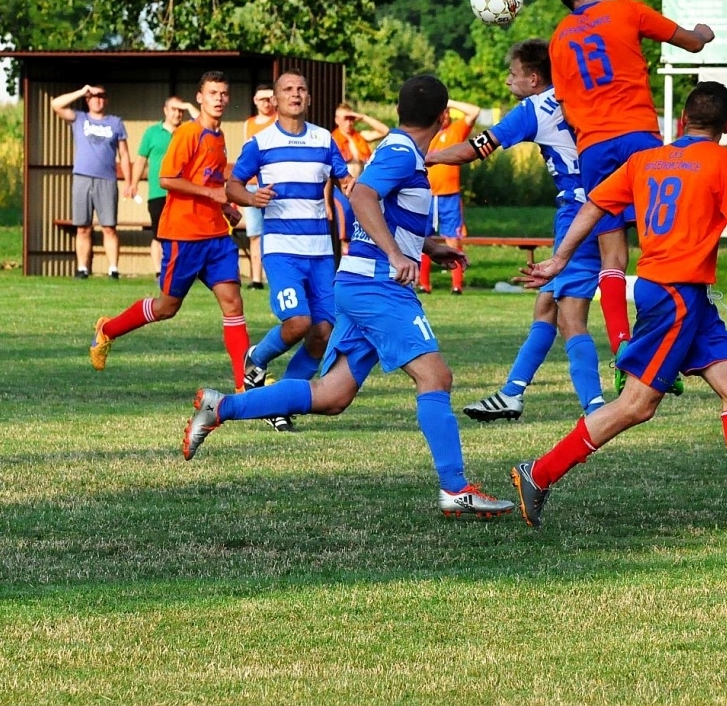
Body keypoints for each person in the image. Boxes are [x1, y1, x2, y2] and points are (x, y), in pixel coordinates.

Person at [181, 75, 515, 519]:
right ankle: (456, 489)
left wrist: (428, 245)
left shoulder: (402, 151)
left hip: (359, 283)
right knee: (436, 378)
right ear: (443, 118)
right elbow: (362, 197)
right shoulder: (399, 153)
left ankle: (221, 405)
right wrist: (397, 254)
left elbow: (386, 210)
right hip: (377, 285)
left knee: (331, 395)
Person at [512, 81, 727, 533]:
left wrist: (560, 257)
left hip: (684, 294)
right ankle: (538, 473)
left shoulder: (646, 160)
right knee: (637, 405)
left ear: (681, 122)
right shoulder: (724, 160)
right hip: (675, 294)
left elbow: (595, 204)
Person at [427, 40, 605, 421]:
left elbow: (474, 149)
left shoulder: (534, 109)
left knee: (571, 315)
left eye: (514, 74)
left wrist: (426, 156)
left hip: (581, 210)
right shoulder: (582, 94)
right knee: (546, 305)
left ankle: (596, 408)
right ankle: (512, 392)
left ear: (534, 78)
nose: (509, 81)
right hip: (603, 203)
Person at [549, 0, 715, 360]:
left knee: (613, 255)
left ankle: (622, 343)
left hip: (593, 147)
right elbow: (690, 44)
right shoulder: (624, 9)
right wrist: (703, 32)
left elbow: (565, 104)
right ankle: (672, 329)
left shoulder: (558, 39)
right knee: (660, 238)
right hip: (638, 137)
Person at [89, 72, 250, 391]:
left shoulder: (218, 138)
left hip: (217, 236)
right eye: (213, 93)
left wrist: (224, 206)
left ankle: (242, 384)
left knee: (233, 303)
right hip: (184, 235)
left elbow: (210, 181)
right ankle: (108, 330)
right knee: (167, 307)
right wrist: (214, 195)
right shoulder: (188, 133)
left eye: (224, 93)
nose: (219, 98)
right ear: (200, 98)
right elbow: (167, 179)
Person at [228, 72, 349, 433]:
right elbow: (232, 185)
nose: (295, 94)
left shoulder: (324, 139)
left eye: (301, 89)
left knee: (323, 332)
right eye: (287, 89)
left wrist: (355, 184)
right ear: (276, 99)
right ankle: (257, 358)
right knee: (298, 323)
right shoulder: (260, 143)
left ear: (309, 98)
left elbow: (345, 179)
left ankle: (280, 402)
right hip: (282, 250)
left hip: (321, 253)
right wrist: (251, 197)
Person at [50, 84, 133, 279]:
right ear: (87, 99)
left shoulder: (115, 123)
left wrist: (129, 182)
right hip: (82, 177)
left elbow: (124, 153)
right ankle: (82, 268)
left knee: (109, 227)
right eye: (94, 96)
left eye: (101, 96)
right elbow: (56, 105)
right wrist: (80, 91)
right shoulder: (79, 118)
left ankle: (113, 269)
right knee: (82, 227)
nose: (98, 100)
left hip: (107, 179)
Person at [419, 98, 481, 294]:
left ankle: (456, 285)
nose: (443, 116)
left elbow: (474, 111)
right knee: (422, 238)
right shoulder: (426, 133)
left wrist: (450, 102)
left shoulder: (455, 131)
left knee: (453, 239)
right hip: (427, 195)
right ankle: (423, 284)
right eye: (440, 112)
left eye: (446, 112)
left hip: (449, 196)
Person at [133, 96, 198, 272]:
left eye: (180, 110)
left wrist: (188, 105)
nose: (177, 113)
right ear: (165, 110)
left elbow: (201, 122)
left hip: (182, 192)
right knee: (159, 233)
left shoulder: (188, 130)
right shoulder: (152, 132)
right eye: (174, 109)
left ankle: (180, 270)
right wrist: (133, 183)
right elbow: (140, 160)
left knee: (183, 233)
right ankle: (158, 271)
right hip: (158, 192)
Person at [332, 101, 388, 249]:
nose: (349, 122)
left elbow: (385, 131)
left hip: (360, 187)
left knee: (365, 227)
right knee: (347, 232)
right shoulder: (333, 140)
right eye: (345, 118)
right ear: (337, 120)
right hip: (342, 189)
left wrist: (362, 117)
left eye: (351, 119)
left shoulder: (360, 137)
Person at [240, 85, 278, 289]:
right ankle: (256, 279)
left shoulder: (278, 121)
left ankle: (274, 277)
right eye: (261, 99)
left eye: (269, 99)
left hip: (272, 184)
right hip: (253, 185)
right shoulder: (249, 124)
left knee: (274, 232)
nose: (265, 103)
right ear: (255, 100)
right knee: (255, 234)